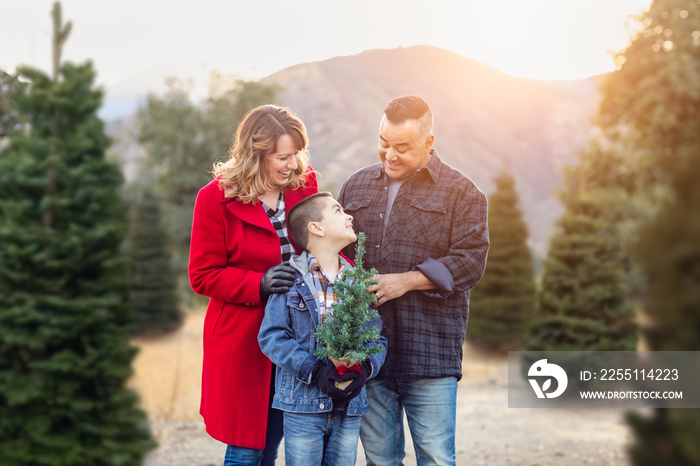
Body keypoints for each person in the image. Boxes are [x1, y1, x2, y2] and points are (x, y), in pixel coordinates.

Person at [337, 95, 489, 466]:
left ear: (429, 143)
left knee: (436, 458)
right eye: (384, 143)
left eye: (402, 147)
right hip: (369, 352)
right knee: (380, 461)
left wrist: (407, 281)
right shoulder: (355, 187)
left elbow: (470, 262)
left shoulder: (463, 193)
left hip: (430, 352)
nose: (390, 155)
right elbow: (335, 257)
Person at [189, 105, 318, 465]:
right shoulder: (214, 198)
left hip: (294, 337)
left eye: (296, 154)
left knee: (272, 442)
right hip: (242, 341)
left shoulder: (305, 185)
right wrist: (258, 284)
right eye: (282, 157)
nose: (293, 165)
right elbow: (202, 274)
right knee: (246, 449)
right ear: (254, 155)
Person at [258, 192, 388, 466]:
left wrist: (365, 369)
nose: (349, 215)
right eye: (338, 211)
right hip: (302, 407)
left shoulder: (358, 282)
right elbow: (272, 337)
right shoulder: (290, 279)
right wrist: (314, 370)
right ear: (315, 227)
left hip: (349, 406)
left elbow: (376, 338)